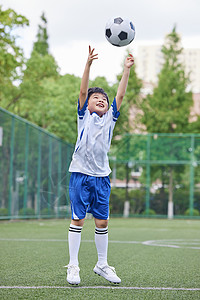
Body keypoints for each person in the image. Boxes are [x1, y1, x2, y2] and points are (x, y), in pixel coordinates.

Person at [65, 46, 134, 285]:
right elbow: (83, 90)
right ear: (88, 103)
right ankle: (73, 266)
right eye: (97, 98)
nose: (101, 100)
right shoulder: (84, 116)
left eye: (104, 99)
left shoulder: (110, 120)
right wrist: (88, 64)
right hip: (80, 174)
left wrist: (126, 70)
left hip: (102, 177)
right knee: (78, 220)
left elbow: (121, 96)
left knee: (102, 222)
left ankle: (102, 264)